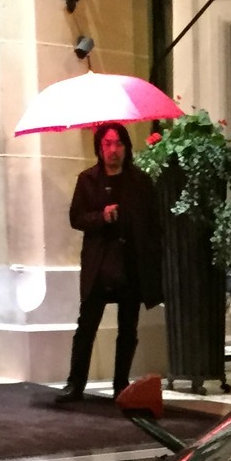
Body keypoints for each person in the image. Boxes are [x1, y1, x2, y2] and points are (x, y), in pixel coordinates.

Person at [59, 121, 164, 404]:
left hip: (130, 264)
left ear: (127, 147)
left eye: (118, 144)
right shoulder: (87, 179)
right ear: (99, 148)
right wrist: (100, 217)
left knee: (127, 328)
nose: (113, 150)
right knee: (86, 327)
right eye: (107, 144)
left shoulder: (140, 181)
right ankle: (75, 383)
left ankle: (121, 384)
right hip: (99, 265)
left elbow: (154, 223)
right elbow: (76, 217)